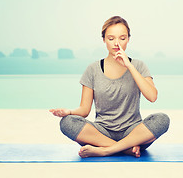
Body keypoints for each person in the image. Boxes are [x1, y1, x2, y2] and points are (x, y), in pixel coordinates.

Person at [49, 16, 170, 158]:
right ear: (104, 40)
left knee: (162, 119)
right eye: (111, 39)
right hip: (101, 132)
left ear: (128, 39)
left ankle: (106, 150)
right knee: (67, 123)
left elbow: (152, 96)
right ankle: (125, 149)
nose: (116, 43)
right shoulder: (93, 69)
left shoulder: (138, 66)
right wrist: (69, 111)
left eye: (122, 38)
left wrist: (129, 66)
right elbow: (84, 110)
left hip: (133, 132)